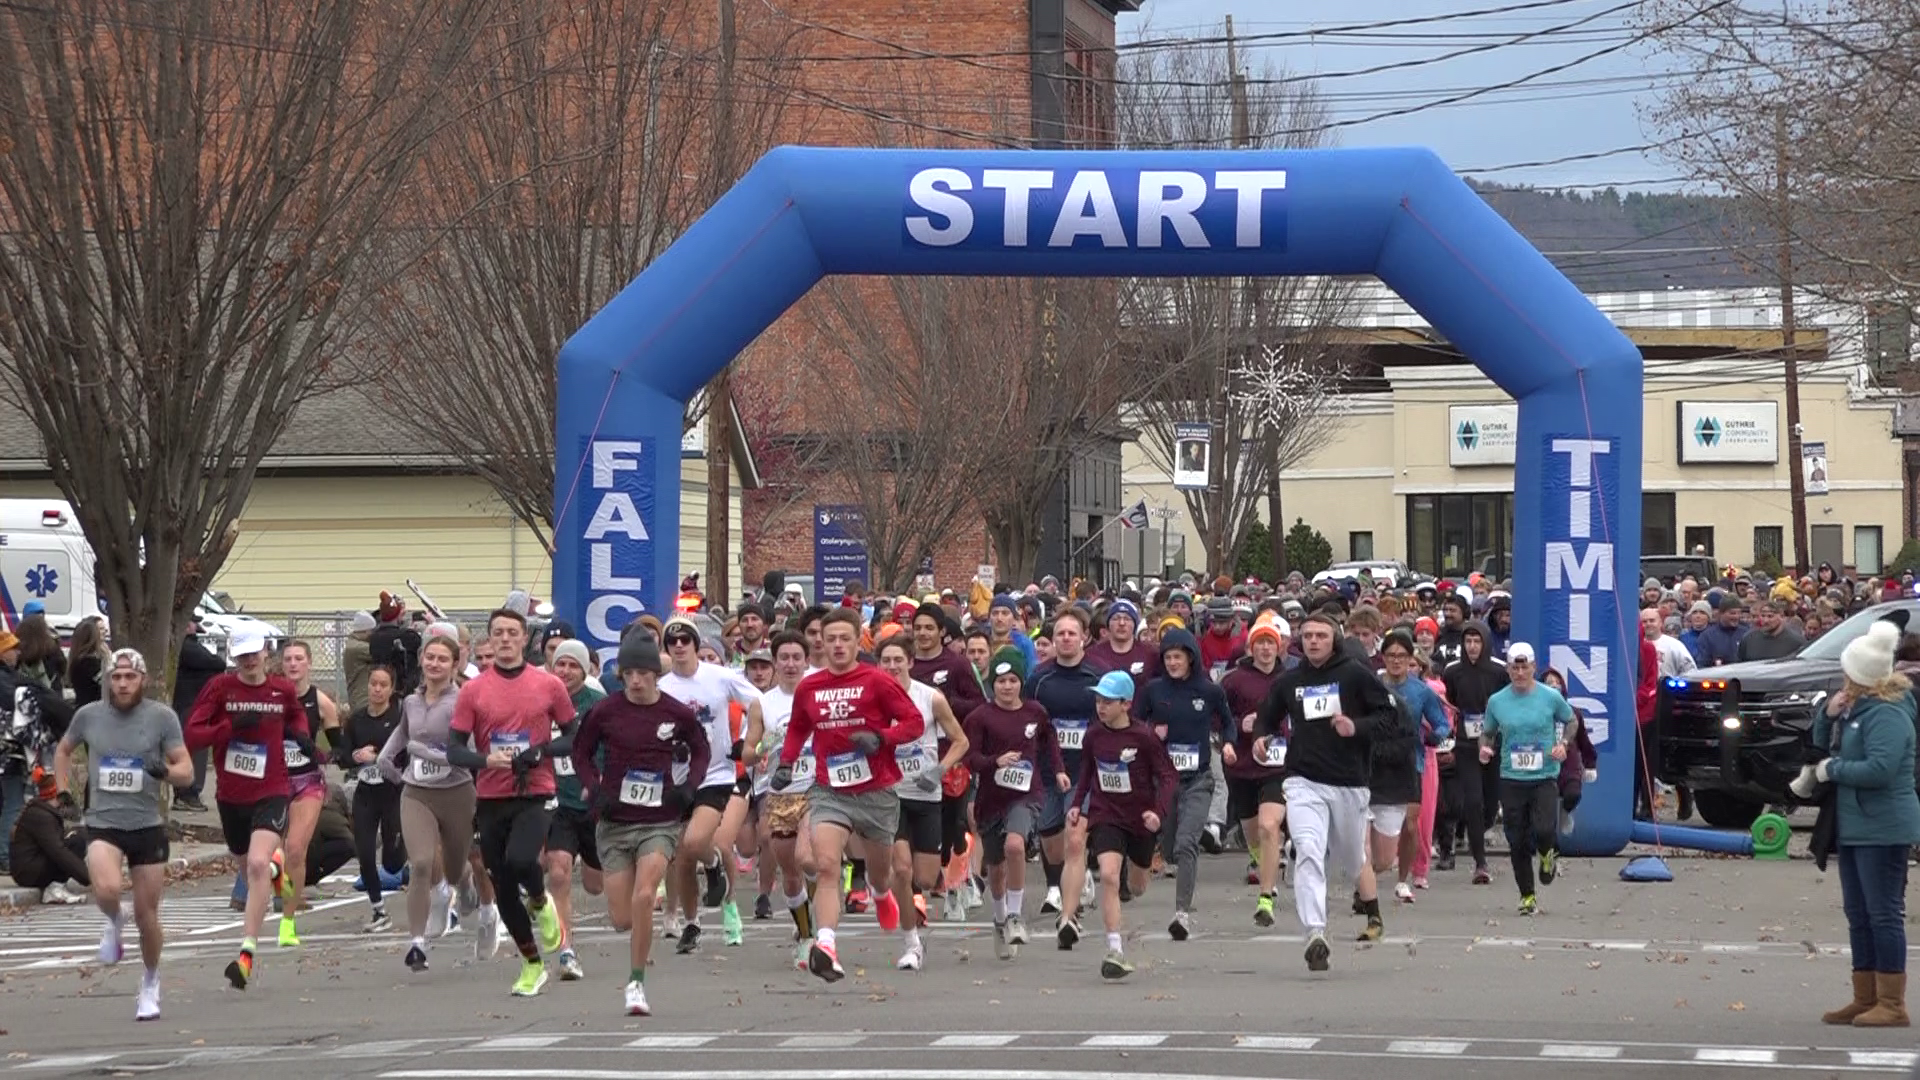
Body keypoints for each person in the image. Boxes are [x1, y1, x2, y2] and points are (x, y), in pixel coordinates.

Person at [774, 608, 925, 981]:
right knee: (827, 865)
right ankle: (826, 945)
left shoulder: (877, 681)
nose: (838, 645)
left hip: (876, 791)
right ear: (820, 644)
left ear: (859, 642)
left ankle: (883, 900)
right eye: (831, 639)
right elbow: (798, 728)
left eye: (845, 638)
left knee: (883, 874)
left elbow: (914, 723)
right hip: (829, 789)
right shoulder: (810, 687)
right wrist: (786, 763)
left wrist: (880, 738)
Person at [573, 632, 709, 1016]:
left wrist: (688, 787)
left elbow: (701, 749)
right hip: (615, 822)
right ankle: (641, 925)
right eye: (628, 674)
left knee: (645, 895)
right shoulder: (605, 711)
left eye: (643, 673)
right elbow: (581, 752)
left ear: (655, 673)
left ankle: (636, 984)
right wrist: (593, 786)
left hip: (659, 820)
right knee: (622, 918)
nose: (635, 681)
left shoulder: (676, 712)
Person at [446, 608, 580, 996]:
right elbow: (454, 749)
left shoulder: (548, 685)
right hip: (491, 795)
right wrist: (484, 760)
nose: (505, 639)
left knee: (521, 860)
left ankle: (540, 900)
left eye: (512, 632)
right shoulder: (473, 690)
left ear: (525, 639)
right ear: (489, 640)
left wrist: (541, 751)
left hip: (535, 789)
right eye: (498, 633)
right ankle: (532, 964)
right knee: (502, 885)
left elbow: (574, 736)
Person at [53, 648, 189, 1020]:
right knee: (108, 889)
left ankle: (150, 982)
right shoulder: (89, 715)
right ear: (108, 681)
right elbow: (63, 751)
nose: (123, 684)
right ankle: (114, 920)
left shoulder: (161, 718)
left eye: (130, 677)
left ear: (143, 679)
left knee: (147, 918)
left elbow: (187, 771)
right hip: (103, 821)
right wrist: (62, 791)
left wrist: (165, 772)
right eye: (116, 677)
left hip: (147, 825)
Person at [1255, 613, 1393, 973]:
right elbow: (1267, 716)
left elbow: (1389, 718)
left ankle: (1367, 901)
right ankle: (1315, 933)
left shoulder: (1355, 674)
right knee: (1308, 851)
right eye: (1308, 636)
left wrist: (1355, 726)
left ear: (1335, 640)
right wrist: (1261, 738)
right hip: (1304, 781)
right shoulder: (1290, 680)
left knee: (1353, 859)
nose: (1314, 641)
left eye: (1321, 635)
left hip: (1349, 783)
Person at [1806, 620, 1919, 1028]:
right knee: (1858, 912)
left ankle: (1892, 1003)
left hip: (1883, 824)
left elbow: (1881, 769)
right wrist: (1827, 714)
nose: (1843, 678)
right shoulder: (1857, 709)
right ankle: (1865, 996)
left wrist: (1833, 770)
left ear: (1862, 676)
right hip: (1856, 824)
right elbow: (1821, 744)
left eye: (1848, 671)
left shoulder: (1888, 713)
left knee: (1883, 912)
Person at [183, 627, 308, 990]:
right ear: (233, 657)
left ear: (266, 652)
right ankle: (276, 871)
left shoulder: (281, 690)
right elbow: (192, 734)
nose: (249, 660)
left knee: (255, 865)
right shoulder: (220, 688)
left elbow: (296, 716)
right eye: (242, 655)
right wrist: (228, 728)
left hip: (272, 789)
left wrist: (301, 735)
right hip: (231, 795)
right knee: (248, 865)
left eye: (254, 653)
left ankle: (246, 954)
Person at [656, 615, 763, 951]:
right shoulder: (662, 688)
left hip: (716, 774)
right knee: (684, 857)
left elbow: (759, 705)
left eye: (685, 640)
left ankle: (718, 871)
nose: (679, 646)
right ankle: (691, 923)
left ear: (695, 643)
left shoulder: (719, 677)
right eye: (672, 642)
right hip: (679, 777)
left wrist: (747, 741)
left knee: (694, 841)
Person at [1061, 671, 1175, 978]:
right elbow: (1087, 771)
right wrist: (1077, 805)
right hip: (1106, 814)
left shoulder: (1145, 737)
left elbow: (1168, 777)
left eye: (1108, 702)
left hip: (1140, 819)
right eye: (1098, 700)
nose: (1101, 707)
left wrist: (1158, 812)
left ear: (1126, 704)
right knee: (1109, 876)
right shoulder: (1093, 735)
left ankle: (1141, 868)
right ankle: (1115, 950)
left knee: (1137, 886)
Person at [378, 634, 477, 972]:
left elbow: (470, 753)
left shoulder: (462, 702)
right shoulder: (410, 701)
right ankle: (417, 944)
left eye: (442, 659)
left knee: (454, 867)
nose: (435, 664)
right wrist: (386, 756)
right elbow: (404, 733)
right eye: (430, 657)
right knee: (420, 863)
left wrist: (426, 753)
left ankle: (464, 883)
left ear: (455, 664)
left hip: (456, 791)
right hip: (416, 791)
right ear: (421, 659)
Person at [962, 644, 1066, 960]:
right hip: (991, 799)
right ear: (992, 684)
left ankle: (1016, 916)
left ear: (1021, 682)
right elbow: (970, 758)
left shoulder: (1036, 712)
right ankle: (999, 919)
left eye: (1012, 681)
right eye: (1001, 681)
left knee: (1016, 846)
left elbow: (1050, 742)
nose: (1007, 687)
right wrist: (994, 761)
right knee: (996, 868)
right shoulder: (980, 717)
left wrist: (1059, 771)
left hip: (1026, 795)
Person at [875, 635, 968, 971]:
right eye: (886, 660)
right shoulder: (871, 700)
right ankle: (911, 942)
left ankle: (898, 888)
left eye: (898, 660)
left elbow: (961, 741)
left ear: (911, 662)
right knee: (901, 868)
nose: (892, 666)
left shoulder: (931, 697)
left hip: (926, 794)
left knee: (926, 879)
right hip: (889, 795)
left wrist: (939, 770)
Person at [1134, 626, 1233, 941]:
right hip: (1165, 782)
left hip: (1198, 779)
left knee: (1186, 844)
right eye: (1168, 658)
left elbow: (1228, 723)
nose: (1173, 663)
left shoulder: (1209, 691)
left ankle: (1182, 914)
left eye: (1178, 657)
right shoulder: (1153, 690)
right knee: (1172, 848)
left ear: (1190, 658)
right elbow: (1134, 724)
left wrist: (1228, 745)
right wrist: (1151, 732)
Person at [743, 631, 820, 971]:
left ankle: (813, 919)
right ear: (775, 663)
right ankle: (804, 933)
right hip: (779, 792)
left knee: (808, 858)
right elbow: (748, 750)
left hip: (817, 788)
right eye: (784, 658)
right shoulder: (763, 704)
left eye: (796, 657)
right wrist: (760, 751)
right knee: (790, 873)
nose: (790, 664)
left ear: (807, 661)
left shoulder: (820, 693)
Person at [1479, 643, 1572, 915]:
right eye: (1514, 668)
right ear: (1508, 669)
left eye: (1524, 667)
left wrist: (1564, 744)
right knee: (1516, 839)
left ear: (1533, 667)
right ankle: (1527, 895)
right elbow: (1488, 732)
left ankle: (1547, 854)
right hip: (1511, 777)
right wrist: (1485, 748)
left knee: (1543, 829)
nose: (1520, 673)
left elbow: (1571, 720)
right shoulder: (1497, 701)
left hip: (1544, 775)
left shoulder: (1550, 696)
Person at [1024, 607, 1105, 918]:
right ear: (1053, 639)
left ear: (1084, 637)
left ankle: (1065, 895)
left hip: (1083, 770)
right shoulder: (1039, 679)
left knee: (1075, 837)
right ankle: (1065, 880)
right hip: (1046, 769)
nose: (1067, 638)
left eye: (1072, 633)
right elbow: (1026, 719)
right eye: (1061, 634)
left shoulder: (1098, 675)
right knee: (1051, 839)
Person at [1220, 613, 1292, 925]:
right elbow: (1218, 719)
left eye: (1270, 643)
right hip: (1243, 766)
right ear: (1251, 647)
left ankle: (1266, 897)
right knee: (1253, 835)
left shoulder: (1290, 679)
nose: (1265, 648)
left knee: (1269, 826)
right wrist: (1239, 726)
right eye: (1260, 643)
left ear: (1279, 647)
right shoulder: (1233, 680)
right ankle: (1265, 862)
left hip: (1279, 765)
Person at [544, 639, 605, 981]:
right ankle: (566, 949)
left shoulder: (597, 703)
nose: (565, 671)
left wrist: (599, 782)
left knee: (595, 885)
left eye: (573, 665)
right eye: (560, 664)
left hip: (591, 803)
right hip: (557, 801)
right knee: (558, 871)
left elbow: (612, 746)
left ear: (585, 670)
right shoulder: (540, 700)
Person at [1378, 630, 1450, 907]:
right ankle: (1366, 877)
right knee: (1370, 826)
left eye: (1402, 656)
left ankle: (1403, 879)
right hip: (1375, 763)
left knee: (1410, 826)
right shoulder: (1372, 685)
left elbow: (1442, 723)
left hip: (1410, 762)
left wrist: (1435, 736)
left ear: (1410, 659)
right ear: (1383, 658)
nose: (1396, 661)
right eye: (1391, 656)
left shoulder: (1421, 691)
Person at [276, 640, 338, 947]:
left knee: (296, 849)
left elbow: (339, 746)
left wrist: (328, 754)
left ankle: (287, 923)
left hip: (307, 782)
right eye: (288, 659)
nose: (293, 664)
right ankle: (280, 889)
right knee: (271, 853)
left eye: (299, 658)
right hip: (272, 781)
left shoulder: (321, 702)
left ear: (309, 663)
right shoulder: (270, 698)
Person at [337, 665, 407, 933]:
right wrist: (355, 756)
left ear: (391, 689)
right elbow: (342, 757)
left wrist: (379, 758)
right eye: (373, 684)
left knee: (391, 863)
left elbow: (406, 757)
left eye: (383, 685)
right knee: (364, 853)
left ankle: (404, 854)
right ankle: (379, 910)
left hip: (393, 793)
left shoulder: (399, 719)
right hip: (366, 793)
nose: (377, 689)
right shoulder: (356, 720)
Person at [1438, 621, 1506, 883]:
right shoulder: (1453, 670)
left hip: (1494, 743)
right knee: (1473, 801)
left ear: (1485, 643)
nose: (1472, 647)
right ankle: (1480, 863)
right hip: (1466, 744)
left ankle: (1482, 826)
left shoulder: (1499, 670)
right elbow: (1451, 701)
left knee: (1490, 803)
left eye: (1477, 641)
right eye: (1468, 641)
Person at [8, 767, 90, 902]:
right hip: (27, 873)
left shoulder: (43, 811)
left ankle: (57, 886)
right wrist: (89, 877)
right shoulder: (41, 816)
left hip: (29, 867)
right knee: (77, 839)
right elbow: (57, 851)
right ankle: (55, 888)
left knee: (76, 835)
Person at [170, 618, 226, 814]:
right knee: (193, 750)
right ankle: (187, 793)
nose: (196, 626)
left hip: (193, 705)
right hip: (189, 705)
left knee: (195, 750)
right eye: (194, 622)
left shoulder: (189, 645)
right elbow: (218, 663)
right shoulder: (187, 647)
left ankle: (188, 792)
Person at [66, 616, 108, 709]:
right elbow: (108, 684)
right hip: (92, 709)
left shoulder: (78, 659)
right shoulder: (88, 663)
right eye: (100, 629)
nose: (105, 632)